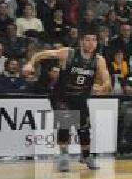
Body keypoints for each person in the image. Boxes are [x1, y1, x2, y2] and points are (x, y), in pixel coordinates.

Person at [23, 34, 111, 171]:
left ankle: (86, 156)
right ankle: (64, 156)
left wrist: (103, 87)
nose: (91, 43)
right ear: (81, 41)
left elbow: (107, 81)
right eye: (87, 39)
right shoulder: (68, 53)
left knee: (84, 129)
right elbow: (42, 54)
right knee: (65, 124)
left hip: (81, 97)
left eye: (94, 40)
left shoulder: (99, 60)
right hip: (61, 96)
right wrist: (30, 63)